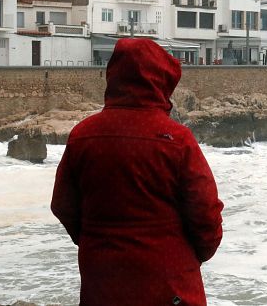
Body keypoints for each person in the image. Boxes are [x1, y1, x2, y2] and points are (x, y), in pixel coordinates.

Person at [51, 38, 223, 306]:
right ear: (161, 81)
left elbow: (62, 205)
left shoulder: (82, 136)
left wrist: (96, 239)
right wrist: (193, 255)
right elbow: (205, 211)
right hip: (169, 280)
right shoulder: (177, 140)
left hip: (103, 279)